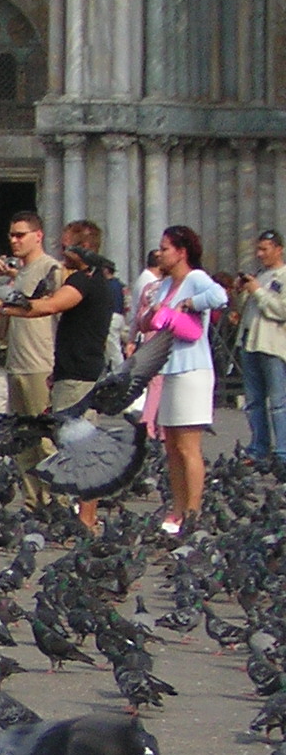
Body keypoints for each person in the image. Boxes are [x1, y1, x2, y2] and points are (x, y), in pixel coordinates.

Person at [4, 220, 116, 531]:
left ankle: (86, 519)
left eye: (66, 246)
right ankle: (78, 516)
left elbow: (51, 306)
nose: (62, 251)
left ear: (84, 248)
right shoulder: (95, 280)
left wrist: (7, 308)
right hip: (73, 372)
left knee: (79, 449)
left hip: (80, 376)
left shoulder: (85, 280)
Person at [138, 225, 229, 535]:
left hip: (193, 369)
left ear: (181, 252)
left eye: (165, 248)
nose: (160, 253)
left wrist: (190, 304)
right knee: (172, 446)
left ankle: (192, 511)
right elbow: (151, 320)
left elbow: (219, 296)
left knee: (188, 446)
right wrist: (151, 313)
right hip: (169, 367)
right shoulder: (164, 285)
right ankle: (176, 508)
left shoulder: (195, 278)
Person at [0, 211, 63, 508]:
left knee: (45, 440)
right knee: (22, 441)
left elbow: (61, 312)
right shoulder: (19, 273)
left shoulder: (52, 268)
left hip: (41, 362)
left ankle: (57, 502)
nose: (14, 240)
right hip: (16, 361)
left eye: (20, 235)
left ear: (38, 236)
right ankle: (33, 502)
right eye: (11, 235)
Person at [236, 228, 286, 465]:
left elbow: (281, 310)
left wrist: (257, 291)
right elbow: (245, 309)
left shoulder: (283, 276)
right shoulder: (259, 275)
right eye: (258, 249)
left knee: (278, 401)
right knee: (254, 401)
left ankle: (282, 452)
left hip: (272, 345)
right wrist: (241, 292)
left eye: (264, 249)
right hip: (249, 342)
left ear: (279, 249)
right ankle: (258, 448)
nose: (259, 254)